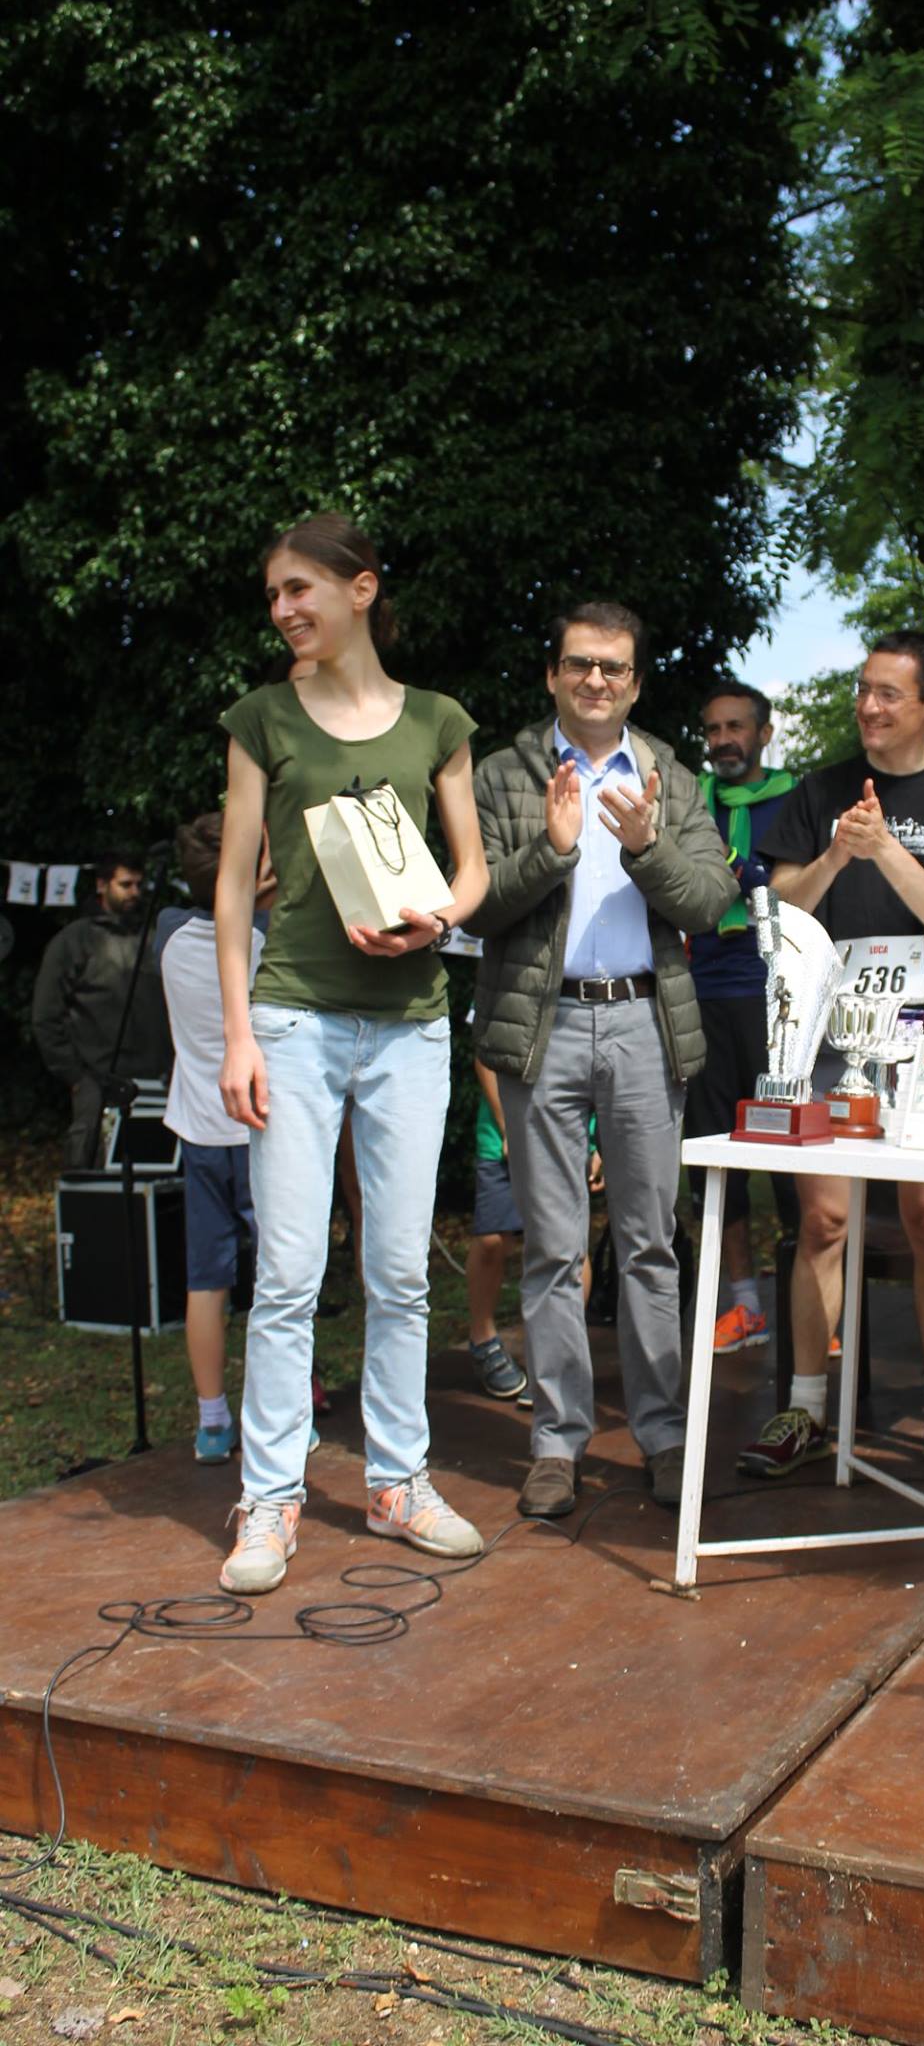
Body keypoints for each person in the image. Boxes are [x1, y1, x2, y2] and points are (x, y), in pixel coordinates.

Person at [215, 512, 488, 1593]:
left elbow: (471, 872)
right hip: (294, 1022)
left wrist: (437, 922)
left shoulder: (438, 721)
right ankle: (269, 1499)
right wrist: (238, 1034)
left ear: (361, 588)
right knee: (288, 1275)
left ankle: (397, 1482)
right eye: (274, 595)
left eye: (300, 589)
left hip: (413, 1025)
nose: (284, 609)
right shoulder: (261, 719)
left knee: (400, 1272)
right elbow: (234, 886)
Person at [465, 600, 737, 1519]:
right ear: (552, 674)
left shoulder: (669, 778)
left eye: (612, 667)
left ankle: (662, 1436)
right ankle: (556, 1443)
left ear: (635, 683)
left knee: (650, 1245)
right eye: (578, 663)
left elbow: (709, 902)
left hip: (642, 1023)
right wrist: (551, 850)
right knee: (550, 1248)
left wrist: (645, 847)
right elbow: (475, 906)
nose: (594, 679)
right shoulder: (503, 774)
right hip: (539, 1026)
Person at [738, 629, 924, 1481]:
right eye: (862, 689)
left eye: (888, 693)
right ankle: (804, 1407)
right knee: (821, 1221)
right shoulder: (819, 790)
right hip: (826, 1037)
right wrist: (835, 851)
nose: (868, 705)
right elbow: (783, 912)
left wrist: (886, 846)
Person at [155, 814, 317, 1464]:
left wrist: (248, 872)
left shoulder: (167, 934)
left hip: (200, 1133)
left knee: (206, 1282)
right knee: (282, 1277)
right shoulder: (266, 939)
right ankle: (290, 1419)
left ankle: (212, 1422)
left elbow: (227, 892)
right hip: (264, 1131)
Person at [684, 682, 799, 1354]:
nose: (723, 740)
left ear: (763, 733)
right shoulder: (690, 801)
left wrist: (744, 869)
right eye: (713, 729)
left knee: (789, 1157)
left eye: (735, 727)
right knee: (713, 1156)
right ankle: (745, 1305)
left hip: (776, 992)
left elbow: (802, 891)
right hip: (700, 989)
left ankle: (808, 1312)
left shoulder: (795, 799)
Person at [465, 1052, 602, 1401]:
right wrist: (507, 1125)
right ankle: (482, 1338)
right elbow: (485, 1055)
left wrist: (600, 1140)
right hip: (500, 1137)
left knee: (569, 1246)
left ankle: (558, 1362)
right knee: (492, 1240)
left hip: (568, 1138)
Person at [33, 849, 172, 1169]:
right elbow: (46, 1017)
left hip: (156, 1082)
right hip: (97, 1083)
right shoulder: (73, 941)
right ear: (101, 885)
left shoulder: (153, 939)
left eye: (138, 885)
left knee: (154, 1173)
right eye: (125, 884)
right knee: (92, 1174)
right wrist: (76, 1076)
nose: (134, 893)